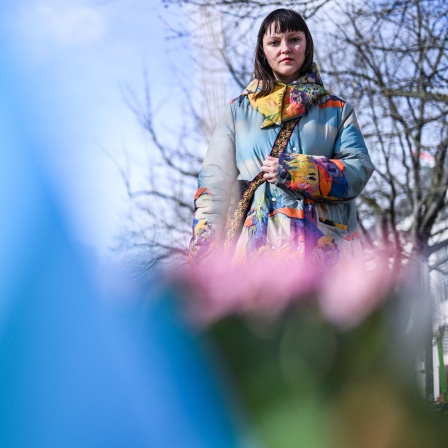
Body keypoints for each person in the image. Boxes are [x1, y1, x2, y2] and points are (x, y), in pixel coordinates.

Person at [189, 8, 374, 268]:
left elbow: (358, 170)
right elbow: (214, 187)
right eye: (274, 42)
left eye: (294, 39)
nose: (285, 48)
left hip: (324, 262)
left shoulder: (337, 111)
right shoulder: (237, 112)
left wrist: (298, 170)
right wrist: (204, 259)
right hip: (254, 262)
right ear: (263, 51)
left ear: (306, 44)